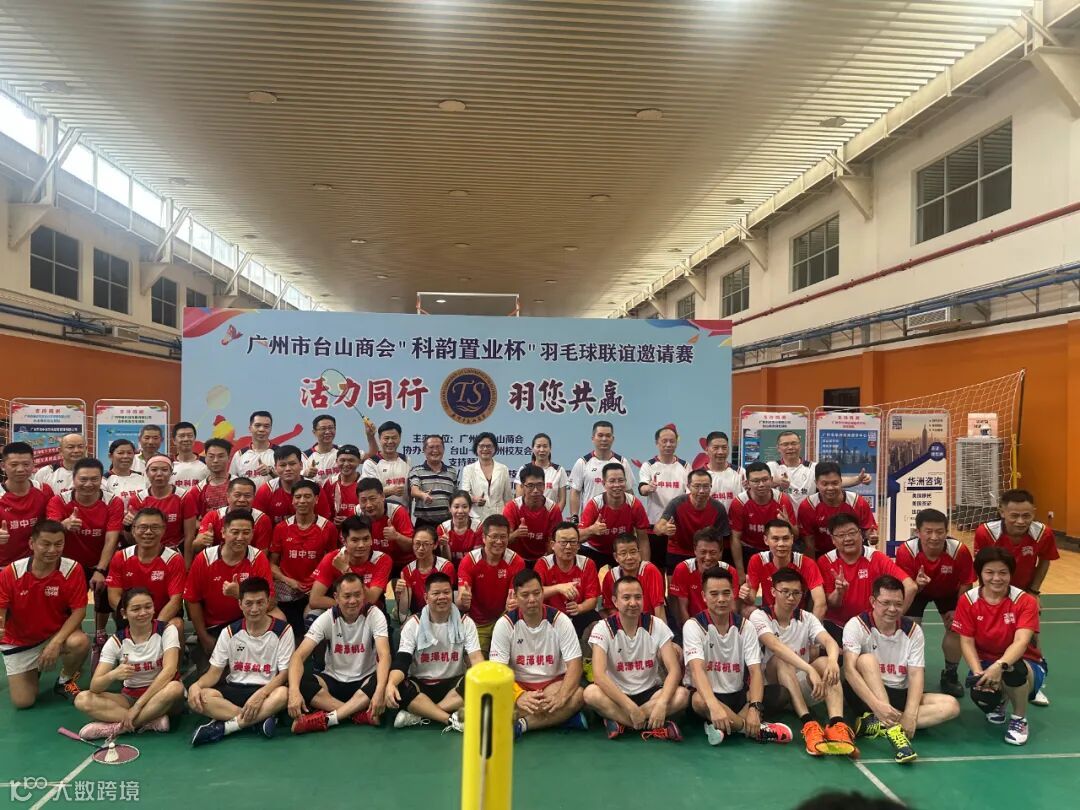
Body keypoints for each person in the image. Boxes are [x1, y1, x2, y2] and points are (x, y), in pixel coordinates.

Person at [843, 575, 961, 764]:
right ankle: (893, 731)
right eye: (886, 603)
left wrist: (911, 715)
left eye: (898, 604)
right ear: (873, 601)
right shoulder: (857, 625)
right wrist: (877, 705)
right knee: (866, 660)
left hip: (899, 693)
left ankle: (878, 723)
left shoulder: (913, 630)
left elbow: (916, 674)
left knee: (952, 706)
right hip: (867, 694)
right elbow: (849, 670)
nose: (892, 609)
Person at [749, 568, 854, 757]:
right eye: (785, 592)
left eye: (796, 593)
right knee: (781, 660)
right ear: (773, 592)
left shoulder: (807, 617)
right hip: (775, 689)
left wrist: (832, 661)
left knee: (825, 663)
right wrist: (809, 669)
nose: (791, 598)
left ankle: (836, 724)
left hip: (802, 687)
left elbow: (829, 642)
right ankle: (809, 725)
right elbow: (775, 646)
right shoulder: (760, 616)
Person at [684, 566, 792, 745]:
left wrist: (755, 708)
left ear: (733, 594)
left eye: (726, 593)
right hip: (707, 696)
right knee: (697, 700)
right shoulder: (693, 626)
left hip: (737, 696)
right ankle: (753, 730)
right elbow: (697, 670)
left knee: (781, 694)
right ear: (704, 596)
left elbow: (756, 671)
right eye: (714, 594)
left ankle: (724, 726)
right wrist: (714, 706)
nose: (721, 599)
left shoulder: (746, 627)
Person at [953, 546, 1048, 746]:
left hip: (1026, 663)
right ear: (980, 574)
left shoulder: (1025, 601)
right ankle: (1000, 701)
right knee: (981, 693)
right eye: (989, 572)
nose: (996, 578)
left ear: (1011, 574)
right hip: (986, 661)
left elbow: (1021, 642)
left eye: (1003, 573)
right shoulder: (967, 601)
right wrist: (978, 672)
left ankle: (1019, 719)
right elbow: (966, 641)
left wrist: (1000, 666)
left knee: (1013, 670)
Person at [973, 487, 1056, 706]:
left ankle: (1035, 684)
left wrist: (1034, 592)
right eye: (1014, 515)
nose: (1021, 521)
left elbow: (1045, 560)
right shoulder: (985, 533)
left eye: (1026, 515)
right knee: (997, 634)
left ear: (1034, 512)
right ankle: (993, 676)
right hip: (996, 589)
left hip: (1025, 591)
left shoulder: (1043, 533)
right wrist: (987, 595)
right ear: (1002, 511)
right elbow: (982, 565)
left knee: (1031, 636)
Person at [189, 577, 293, 745]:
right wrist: (196, 685)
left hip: (266, 689)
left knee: (283, 694)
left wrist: (261, 694)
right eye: (249, 603)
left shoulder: (283, 630)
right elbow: (214, 674)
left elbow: (284, 674)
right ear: (240, 604)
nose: (254, 609)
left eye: (260, 603)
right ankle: (257, 722)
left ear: (268, 602)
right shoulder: (229, 632)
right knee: (200, 697)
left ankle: (226, 727)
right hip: (234, 688)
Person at [584, 576, 689, 740]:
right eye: (626, 598)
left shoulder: (656, 624)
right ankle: (651, 725)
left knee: (682, 695)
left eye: (638, 597)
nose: (633, 603)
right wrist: (631, 708)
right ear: (615, 601)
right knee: (590, 693)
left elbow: (674, 670)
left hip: (650, 693)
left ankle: (621, 722)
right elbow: (599, 675)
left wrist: (662, 703)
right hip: (617, 695)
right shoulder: (602, 628)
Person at [74, 587, 185, 738]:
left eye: (148, 607)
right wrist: (113, 674)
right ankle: (150, 721)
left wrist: (138, 707)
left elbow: (169, 671)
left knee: (175, 687)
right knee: (82, 699)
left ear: (154, 609)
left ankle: (119, 727)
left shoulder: (166, 630)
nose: (143, 613)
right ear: (124, 613)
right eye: (136, 609)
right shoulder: (116, 641)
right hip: (130, 697)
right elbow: (95, 686)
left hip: (161, 695)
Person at [0, 520, 89, 708]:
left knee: (79, 642)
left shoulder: (72, 569)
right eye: (46, 544)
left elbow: (79, 610)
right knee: (23, 702)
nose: (52, 550)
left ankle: (65, 680)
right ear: (32, 544)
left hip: (54, 635)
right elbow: (1, 608)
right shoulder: (11, 572)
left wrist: (55, 643)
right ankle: (34, 668)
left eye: (58, 544)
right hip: (20, 640)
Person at [288, 573, 391, 733]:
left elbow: (384, 655)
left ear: (364, 594)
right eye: (347, 596)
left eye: (357, 595)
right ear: (336, 597)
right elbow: (298, 656)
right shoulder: (327, 618)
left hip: (365, 681)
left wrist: (379, 691)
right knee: (298, 681)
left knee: (385, 679)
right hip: (333, 681)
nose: (353, 601)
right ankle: (357, 714)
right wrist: (294, 691)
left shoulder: (374, 614)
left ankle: (328, 719)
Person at [490, 569, 588, 738]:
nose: (532, 599)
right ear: (515, 597)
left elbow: (575, 665)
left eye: (536, 593)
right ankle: (562, 718)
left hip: (552, 684)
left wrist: (561, 697)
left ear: (543, 593)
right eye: (525, 595)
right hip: (518, 684)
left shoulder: (560, 620)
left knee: (579, 695)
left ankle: (522, 724)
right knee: (492, 700)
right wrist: (518, 695)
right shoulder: (504, 624)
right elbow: (498, 671)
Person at [895, 508, 974, 699]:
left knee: (956, 628)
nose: (934, 537)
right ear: (918, 532)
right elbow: (904, 586)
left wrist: (959, 611)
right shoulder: (906, 551)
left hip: (949, 591)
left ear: (947, 531)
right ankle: (911, 671)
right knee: (909, 628)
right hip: (917, 591)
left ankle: (950, 674)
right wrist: (918, 585)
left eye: (940, 531)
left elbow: (967, 583)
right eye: (928, 531)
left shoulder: (959, 550)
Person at [388, 571, 481, 731]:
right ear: (426, 597)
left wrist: (483, 679)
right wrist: (391, 684)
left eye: (446, 592)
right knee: (399, 687)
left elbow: (476, 658)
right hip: (421, 685)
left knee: (477, 683)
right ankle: (449, 719)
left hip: (453, 686)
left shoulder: (465, 622)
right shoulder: (413, 624)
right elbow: (402, 660)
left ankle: (421, 714)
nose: (442, 597)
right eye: (436, 593)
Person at [46, 457, 123, 642]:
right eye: (83, 479)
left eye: (94, 479)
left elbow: (111, 539)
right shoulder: (59, 500)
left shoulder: (113, 502)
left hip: (101, 560)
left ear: (101, 480)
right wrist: (64, 525)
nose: (89, 484)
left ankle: (100, 633)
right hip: (70, 564)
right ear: (74, 479)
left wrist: (100, 570)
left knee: (105, 597)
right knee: (70, 604)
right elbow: (50, 531)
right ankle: (75, 633)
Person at [184, 509, 276, 660]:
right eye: (235, 532)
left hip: (248, 622)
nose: (240, 537)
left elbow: (270, 602)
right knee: (212, 671)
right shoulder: (204, 558)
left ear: (252, 534)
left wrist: (240, 594)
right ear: (223, 532)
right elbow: (192, 600)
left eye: (246, 533)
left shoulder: (258, 557)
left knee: (278, 616)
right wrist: (204, 636)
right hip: (214, 627)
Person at [818, 513, 915, 643]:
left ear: (861, 534)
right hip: (836, 626)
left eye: (852, 533)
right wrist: (839, 592)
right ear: (833, 540)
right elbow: (832, 604)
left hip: (871, 627)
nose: (848, 538)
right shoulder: (825, 561)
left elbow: (911, 587)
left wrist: (893, 619)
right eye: (841, 535)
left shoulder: (877, 558)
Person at [269, 480, 340, 640]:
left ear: (316, 499)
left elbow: (332, 563)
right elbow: (272, 563)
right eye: (298, 497)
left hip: (316, 589)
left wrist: (317, 584)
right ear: (292, 500)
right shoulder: (281, 528)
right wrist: (287, 580)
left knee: (312, 622)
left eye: (307, 496)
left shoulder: (328, 528)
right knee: (283, 630)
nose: (302, 501)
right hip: (287, 589)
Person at [457, 514, 525, 655]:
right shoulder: (469, 561)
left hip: (505, 619)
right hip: (478, 623)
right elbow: (462, 601)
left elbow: (514, 597)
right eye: (494, 536)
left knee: (512, 660)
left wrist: (514, 603)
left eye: (503, 537)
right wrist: (463, 600)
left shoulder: (516, 561)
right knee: (476, 664)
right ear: (484, 537)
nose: (499, 541)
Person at [105, 508, 185, 625]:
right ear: (133, 530)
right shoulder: (120, 556)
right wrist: (133, 616)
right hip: (132, 617)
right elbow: (113, 596)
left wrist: (154, 627)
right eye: (143, 527)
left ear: (163, 530)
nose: (148, 532)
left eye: (155, 527)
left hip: (163, 616)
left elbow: (175, 601)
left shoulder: (174, 559)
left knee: (177, 625)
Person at [654, 467, 732, 577]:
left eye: (706, 486)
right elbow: (657, 529)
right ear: (688, 486)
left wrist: (717, 562)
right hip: (679, 551)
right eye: (697, 486)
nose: (701, 491)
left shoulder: (718, 508)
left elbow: (721, 541)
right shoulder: (677, 503)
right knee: (674, 586)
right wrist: (664, 529)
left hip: (706, 553)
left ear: (711, 487)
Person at [743, 519, 826, 619]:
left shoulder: (807, 563)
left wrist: (812, 627)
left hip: (797, 616)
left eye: (785, 538)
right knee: (747, 611)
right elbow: (757, 600)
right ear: (766, 540)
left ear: (792, 539)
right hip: (767, 614)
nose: (781, 544)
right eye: (775, 539)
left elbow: (820, 602)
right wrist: (747, 596)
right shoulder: (757, 560)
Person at [308, 515, 391, 611]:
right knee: (312, 614)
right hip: (339, 610)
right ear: (344, 541)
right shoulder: (332, 558)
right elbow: (315, 600)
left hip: (369, 612)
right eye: (355, 540)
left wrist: (346, 571)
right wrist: (347, 605)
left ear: (371, 539)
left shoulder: (382, 560)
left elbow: (370, 600)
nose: (361, 545)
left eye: (366, 539)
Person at [798, 461, 878, 558]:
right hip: (822, 554)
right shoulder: (808, 506)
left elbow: (869, 530)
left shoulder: (857, 502)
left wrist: (872, 537)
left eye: (835, 483)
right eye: (824, 484)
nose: (830, 488)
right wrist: (813, 566)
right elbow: (809, 542)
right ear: (816, 484)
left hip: (854, 553)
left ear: (841, 481)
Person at [534, 522, 601, 635]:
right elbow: (535, 593)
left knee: (597, 626)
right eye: (563, 542)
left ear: (578, 545)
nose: (568, 547)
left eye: (573, 542)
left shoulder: (587, 564)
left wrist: (580, 607)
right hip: (550, 614)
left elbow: (592, 599)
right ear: (553, 545)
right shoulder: (543, 563)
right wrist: (558, 588)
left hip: (578, 613)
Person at [579, 462, 651, 568]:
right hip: (594, 550)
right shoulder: (594, 505)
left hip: (622, 551)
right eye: (612, 481)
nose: (617, 485)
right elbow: (578, 537)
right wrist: (592, 530)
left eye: (621, 480)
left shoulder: (634, 504)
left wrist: (645, 567)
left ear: (626, 482)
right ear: (604, 483)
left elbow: (643, 539)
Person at [638, 424, 689, 565]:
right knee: (656, 566)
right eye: (664, 441)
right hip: (655, 524)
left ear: (676, 442)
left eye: (672, 441)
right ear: (657, 443)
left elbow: (689, 494)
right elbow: (642, 489)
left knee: (676, 567)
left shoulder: (685, 466)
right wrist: (649, 488)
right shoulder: (648, 465)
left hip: (677, 526)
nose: (668, 444)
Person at [669, 529, 740, 631]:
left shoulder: (730, 571)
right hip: (693, 625)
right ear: (695, 550)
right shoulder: (683, 569)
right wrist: (689, 631)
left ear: (721, 552)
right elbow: (682, 609)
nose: (708, 557)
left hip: (722, 626)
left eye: (713, 552)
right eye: (703, 552)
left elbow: (732, 608)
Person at [126, 455, 197, 555]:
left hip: (176, 551)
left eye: (164, 470)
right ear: (147, 473)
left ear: (171, 472)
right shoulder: (137, 500)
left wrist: (186, 562)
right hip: (146, 553)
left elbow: (189, 536)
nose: (159, 474)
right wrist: (127, 526)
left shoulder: (184, 497)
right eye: (154, 470)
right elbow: (132, 540)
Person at [728, 462, 798, 561]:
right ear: (747, 483)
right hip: (749, 549)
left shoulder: (782, 500)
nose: (761, 485)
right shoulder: (739, 503)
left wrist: (788, 524)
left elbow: (796, 535)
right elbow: (735, 538)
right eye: (756, 481)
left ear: (771, 480)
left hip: (776, 548)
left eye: (765, 480)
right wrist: (740, 569)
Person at [1, 441, 54, 569]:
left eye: (26, 464)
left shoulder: (43, 490)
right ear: (3, 466)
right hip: (4, 566)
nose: (20, 469)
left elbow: (53, 522)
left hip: (37, 564)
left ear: (33, 465)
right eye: (14, 464)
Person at [568, 420, 636, 520]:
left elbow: (628, 491)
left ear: (613, 439)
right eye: (600, 435)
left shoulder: (622, 462)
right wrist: (574, 517)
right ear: (593, 438)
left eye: (608, 436)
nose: (604, 439)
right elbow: (575, 492)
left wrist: (633, 515)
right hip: (590, 519)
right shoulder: (582, 462)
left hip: (618, 519)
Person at [194, 477, 273, 557]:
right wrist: (202, 541)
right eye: (237, 495)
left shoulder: (262, 519)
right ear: (228, 496)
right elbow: (195, 547)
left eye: (247, 496)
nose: (242, 500)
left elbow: (262, 555)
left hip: (249, 562)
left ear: (254, 497)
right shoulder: (213, 516)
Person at [504, 463, 563, 565]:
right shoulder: (512, 507)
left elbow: (554, 542)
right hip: (516, 560)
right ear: (522, 487)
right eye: (530, 486)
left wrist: (545, 563)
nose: (535, 490)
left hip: (543, 560)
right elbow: (503, 540)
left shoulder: (553, 509)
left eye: (539, 485)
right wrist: (516, 534)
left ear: (544, 486)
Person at [600, 533, 667, 623]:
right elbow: (610, 609)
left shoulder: (650, 570)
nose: (629, 557)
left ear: (639, 553)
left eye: (633, 552)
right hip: (623, 624)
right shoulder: (610, 576)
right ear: (616, 557)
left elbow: (659, 608)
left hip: (649, 622)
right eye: (623, 553)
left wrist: (661, 630)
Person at [355, 477, 415, 575]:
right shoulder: (357, 512)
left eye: (372, 499)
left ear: (382, 496)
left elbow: (411, 546)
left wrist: (397, 536)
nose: (368, 505)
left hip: (400, 565)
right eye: (363, 500)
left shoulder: (397, 512)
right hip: (373, 563)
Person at [395, 526, 455, 620]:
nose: (420, 548)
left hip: (442, 615)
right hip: (418, 616)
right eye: (417, 543)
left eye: (426, 544)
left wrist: (419, 618)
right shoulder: (407, 571)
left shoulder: (445, 567)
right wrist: (400, 594)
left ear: (435, 545)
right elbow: (403, 611)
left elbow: (444, 602)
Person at [459, 432, 513, 521]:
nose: (485, 449)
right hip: (476, 518)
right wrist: (474, 499)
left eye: (489, 446)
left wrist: (509, 518)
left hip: (499, 516)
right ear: (476, 448)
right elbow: (464, 494)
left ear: (494, 448)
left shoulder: (503, 469)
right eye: (481, 446)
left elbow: (508, 497)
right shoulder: (468, 469)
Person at [409, 435, 458, 529]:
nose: (435, 450)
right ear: (424, 450)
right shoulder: (416, 470)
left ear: (443, 449)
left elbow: (455, 495)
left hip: (447, 523)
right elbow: (414, 491)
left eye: (438, 447)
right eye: (431, 447)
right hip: (424, 523)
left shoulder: (452, 472)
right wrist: (423, 495)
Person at [361, 420, 409, 508]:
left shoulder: (406, 460)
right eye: (386, 438)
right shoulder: (370, 463)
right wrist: (389, 491)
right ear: (379, 439)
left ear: (400, 438)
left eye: (394, 438)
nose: (390, 441)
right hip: (379, 513)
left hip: (403, 512)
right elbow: (367, 492)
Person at [253, 445, 306, 525]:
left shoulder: (314, 487)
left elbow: (323, 522)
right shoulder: (266, 490)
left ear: (301, 465)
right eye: (282, 465)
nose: (288, 469)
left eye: (292, 464)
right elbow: (257, 524)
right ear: (275, 467)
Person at [515, 433, 568, 510]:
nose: (542, 450)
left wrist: (554, 514)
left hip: (551, 514)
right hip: (527, 515)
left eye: (545, 446)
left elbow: (562, 500)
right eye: (538, 446)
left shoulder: (559, 470)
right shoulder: (524, 469)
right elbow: (519, 498)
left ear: (550, 448)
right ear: (532, 448)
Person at [317, 444, 364, 525]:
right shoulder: (330, 483)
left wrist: (351, 521)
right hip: (334, 530)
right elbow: (324, 512)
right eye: (342, 460)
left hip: (358, 531)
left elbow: (370, 514)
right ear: (336, 461)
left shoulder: (364, 484)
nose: (346, 464)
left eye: (351, 460)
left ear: (359, 461)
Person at [228, 410, 276, 487]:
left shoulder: (279, 453)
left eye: (266, 426)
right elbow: (231, 483)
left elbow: (289, 481)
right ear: (250, 428)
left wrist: (271, 472)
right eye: (257, 425)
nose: (261, 429)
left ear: (271, 429)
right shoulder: (239, 455)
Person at [191, 438, 232, 518]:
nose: (215, 460)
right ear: (205, 459)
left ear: (229, 458)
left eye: (221, 456)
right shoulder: (197, 490)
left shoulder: (239, 485)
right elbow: (192, 520)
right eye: (211, 456)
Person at [438, 490, 482, 564]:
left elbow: (476, 559)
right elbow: (446, 561)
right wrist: (445, 545)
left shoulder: (478, 527)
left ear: (470, 508)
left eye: (465, 507)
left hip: (471, 567)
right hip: (451, 567)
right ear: (450, 508)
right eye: (456, 507)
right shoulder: (442, 528)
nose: (460, 511)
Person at [703, 431, 743, 508]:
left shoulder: (740, 473)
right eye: (716, 448)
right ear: (706, 450)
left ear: (729, 449)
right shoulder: (699, 475)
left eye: (724, 448)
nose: (720, 452)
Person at [302, 414, 340, 485]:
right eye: (323, 428)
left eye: (331, 428)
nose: (327, 432)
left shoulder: (343, 451)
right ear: (314, 432)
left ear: (335, 429)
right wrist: (304, 473)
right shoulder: (304, 456)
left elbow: (363, 456)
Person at [171, 421, 210, 489]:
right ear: (174, 440)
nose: (186, 439)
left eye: (190, 436)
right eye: (182, 436)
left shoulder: (207, 463)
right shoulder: (168, 464)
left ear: (194, 439)